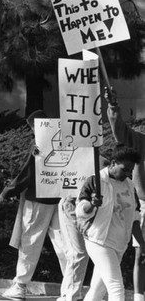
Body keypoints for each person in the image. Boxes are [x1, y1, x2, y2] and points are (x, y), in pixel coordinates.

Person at [0, 110, 66, 301]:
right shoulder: (62, 140)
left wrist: (7, 191)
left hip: (38, 198)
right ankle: (71, 286)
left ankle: (20, 285)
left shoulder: (38, 144)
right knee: (63, 243)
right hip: (59, 198)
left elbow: (28, 172)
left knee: (30, 241)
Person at [76, 145, 145, 301]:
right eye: (124, 169)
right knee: (116, 288)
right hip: (99, 241)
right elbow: (81, 211)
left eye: (130, 171)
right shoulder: (96, 181)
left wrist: (142, 243)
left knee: (97, 291)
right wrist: (92, 204)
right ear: (113, 163)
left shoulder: (130, 185)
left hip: (119, 245)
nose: (127, 174)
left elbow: (134, 217)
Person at [105, 87, 145, 301]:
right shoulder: (139, 141)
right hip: (143, 206)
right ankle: (139, 298)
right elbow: (119, 130)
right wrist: (113, 106)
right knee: (142, 255)